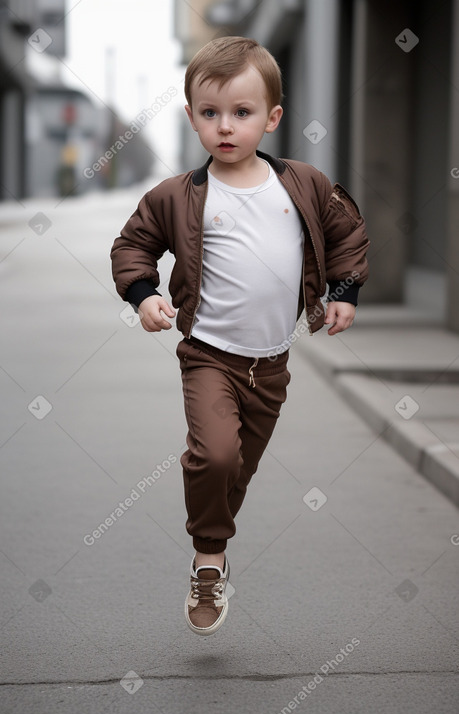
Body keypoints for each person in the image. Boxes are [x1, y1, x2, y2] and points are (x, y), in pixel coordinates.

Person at [111, 36, 370, 636]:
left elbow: (346, 231)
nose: (225, 126)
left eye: (242, 113)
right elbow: (133, 245)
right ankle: (208, 561)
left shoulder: (301, 184)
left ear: (273, 118)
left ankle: (217, 542)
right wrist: (144, 294)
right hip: (208, 357)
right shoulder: (178, 196)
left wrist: (345, 291)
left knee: (236, 473)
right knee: (215, 455)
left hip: (272, 365)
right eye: (210, 113)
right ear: (191, 117)